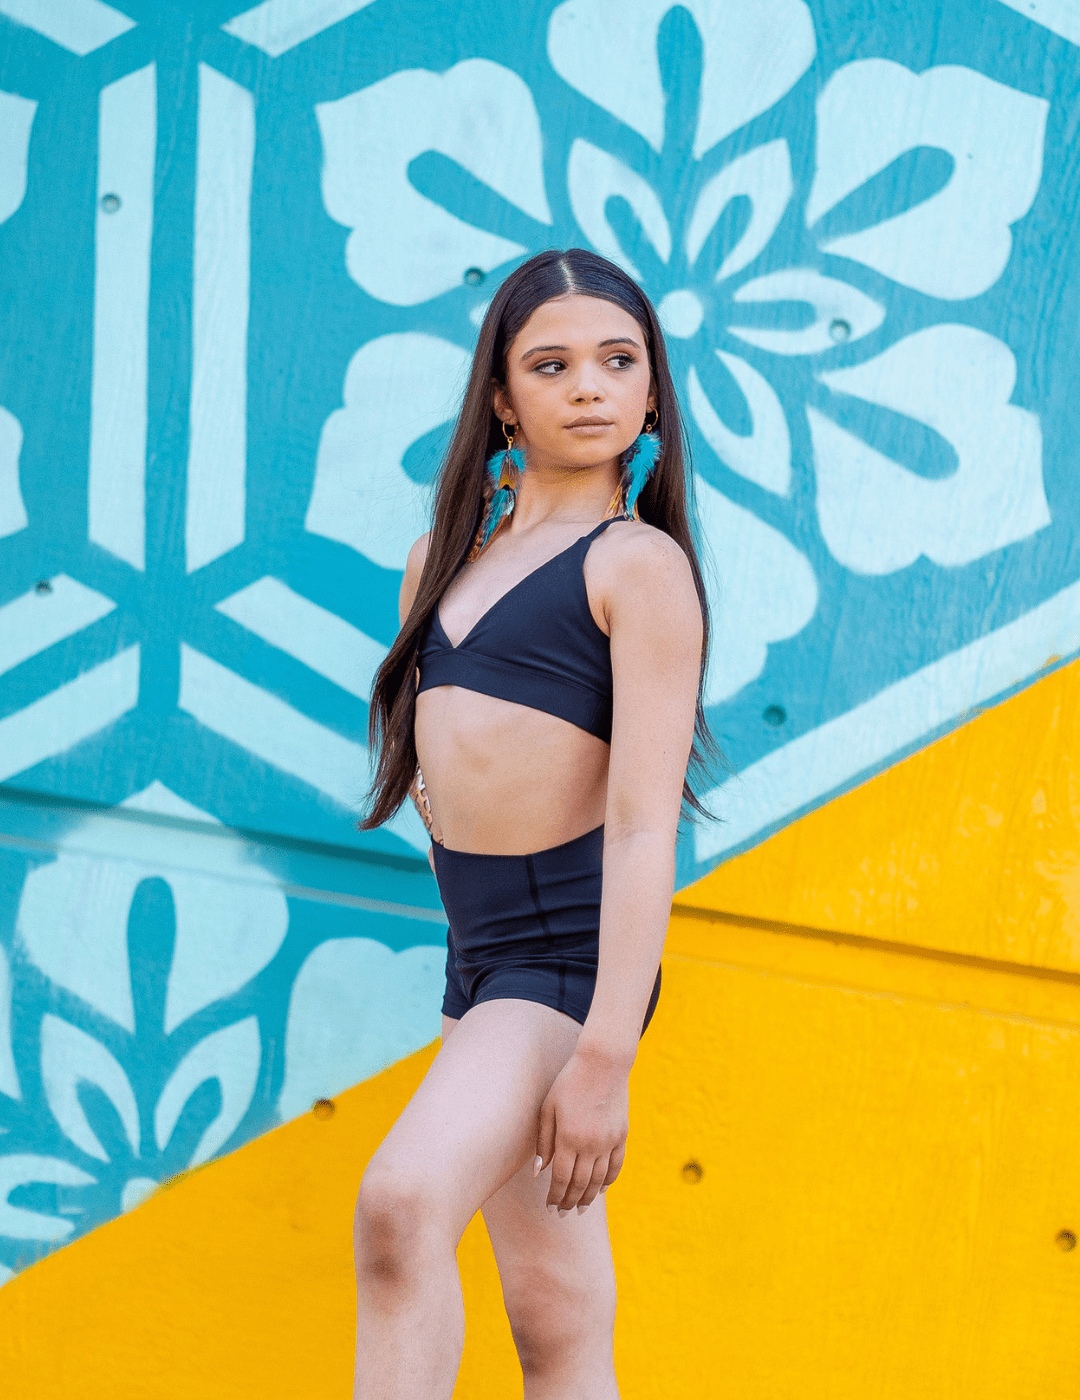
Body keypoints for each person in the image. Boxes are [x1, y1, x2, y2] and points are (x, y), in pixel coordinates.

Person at [355, 247, 714, 1399]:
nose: (590, 386)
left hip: (568, 962)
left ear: (652, 388)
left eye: (620, 360)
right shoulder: (441, 562)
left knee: (401, 1206)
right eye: (551, 364)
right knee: (554, 1312)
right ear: (503, 397)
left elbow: (644, 826)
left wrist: (606, 1048)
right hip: (484, 955)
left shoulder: (638, 566)